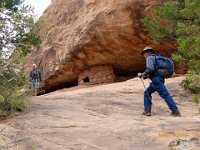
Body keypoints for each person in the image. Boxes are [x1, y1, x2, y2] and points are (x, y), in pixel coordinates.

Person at [137, 46, 181, 117]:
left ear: (148, 52)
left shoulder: (149, 57)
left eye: (144, 53)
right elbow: (154, 70)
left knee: (165, 95)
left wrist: (142, 74)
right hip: (158, 79)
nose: (144, 55)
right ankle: (147, 111)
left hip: (156, 80)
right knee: (147, 92)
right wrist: (146, 76)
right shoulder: (156, 58)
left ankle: (175, 111)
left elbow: (150, 69)